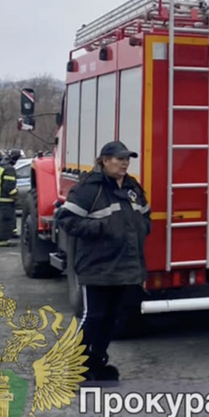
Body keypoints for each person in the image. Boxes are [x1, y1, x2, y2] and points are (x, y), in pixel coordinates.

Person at [54, 141, 150, 385]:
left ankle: (97, 364)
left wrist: (143, 227)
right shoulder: (89, 188)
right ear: (104, 160)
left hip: (125, 267)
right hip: (97, 266)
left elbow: (145, 214)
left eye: (127, 159)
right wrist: (100, 228)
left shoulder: (132, 187)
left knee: (111, 318)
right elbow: (66, 220)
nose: (125, 163)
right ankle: (76, 370)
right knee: (94, 317)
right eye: (119, 159)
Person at [0, 149, 22, 248]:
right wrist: (15, 196)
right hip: (5, 200)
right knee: (6, 221)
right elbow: (9, 186)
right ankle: (3, 241)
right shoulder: (9, 169)